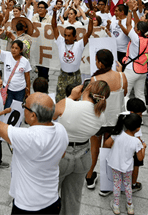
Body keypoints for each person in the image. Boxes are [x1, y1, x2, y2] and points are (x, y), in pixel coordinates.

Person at [0, 66, 68, 214]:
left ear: (33, 116)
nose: (22, 110)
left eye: (24, 107)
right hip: (52, 200)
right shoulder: (61, 130)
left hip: (27, 205)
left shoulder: (27, 137)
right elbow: (62, 154)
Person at [52, 80, 110, 215]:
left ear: (88, 88)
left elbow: (51, 116)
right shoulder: (101, 116)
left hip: (61, 154)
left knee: (50, 196)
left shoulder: (68, 103)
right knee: (73, 198)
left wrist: (72, 97)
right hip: (83, 156)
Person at [86, 49, 127, 190]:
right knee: (108, 150)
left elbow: (90, 101)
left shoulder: (95, 80)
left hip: (99, 119)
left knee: (94, 150)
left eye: (96, 60)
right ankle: (107, 183)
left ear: (101, 64)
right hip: (116, 121)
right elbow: (125, 93)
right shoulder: (122, 76)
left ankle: (90, 176)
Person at [104, 113, 146, 215]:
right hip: (127, 167)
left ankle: (116, 206)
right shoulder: (137, 142)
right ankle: (130, 206)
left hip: (115, 164)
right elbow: (140, 157)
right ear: (138, 128)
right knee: (127, 185)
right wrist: (143, 147)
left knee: (116, 184)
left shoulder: (117, 134)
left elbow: (106, 144)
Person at [51, 9, 94, 102]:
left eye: (69, 36)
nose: (66, 38)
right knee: (59, 99)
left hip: (75, 77)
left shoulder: (79, 44)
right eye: (65, 35)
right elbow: (54, 27)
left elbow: (89, 32)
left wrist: (91, 18)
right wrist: (54, 12)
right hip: (63, 76)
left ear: (75, 37)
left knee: (75, 100)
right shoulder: (60, 42)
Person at [0, 37, 31, 108]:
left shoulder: (25, 62)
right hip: (7, 89)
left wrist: (28, 90)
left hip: (20, 90)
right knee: (6, 107)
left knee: (17, 109)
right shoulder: (6, 55)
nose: (13, 50)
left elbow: (27, 77)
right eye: (12, 47)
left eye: (16, 48)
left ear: (21, 50)